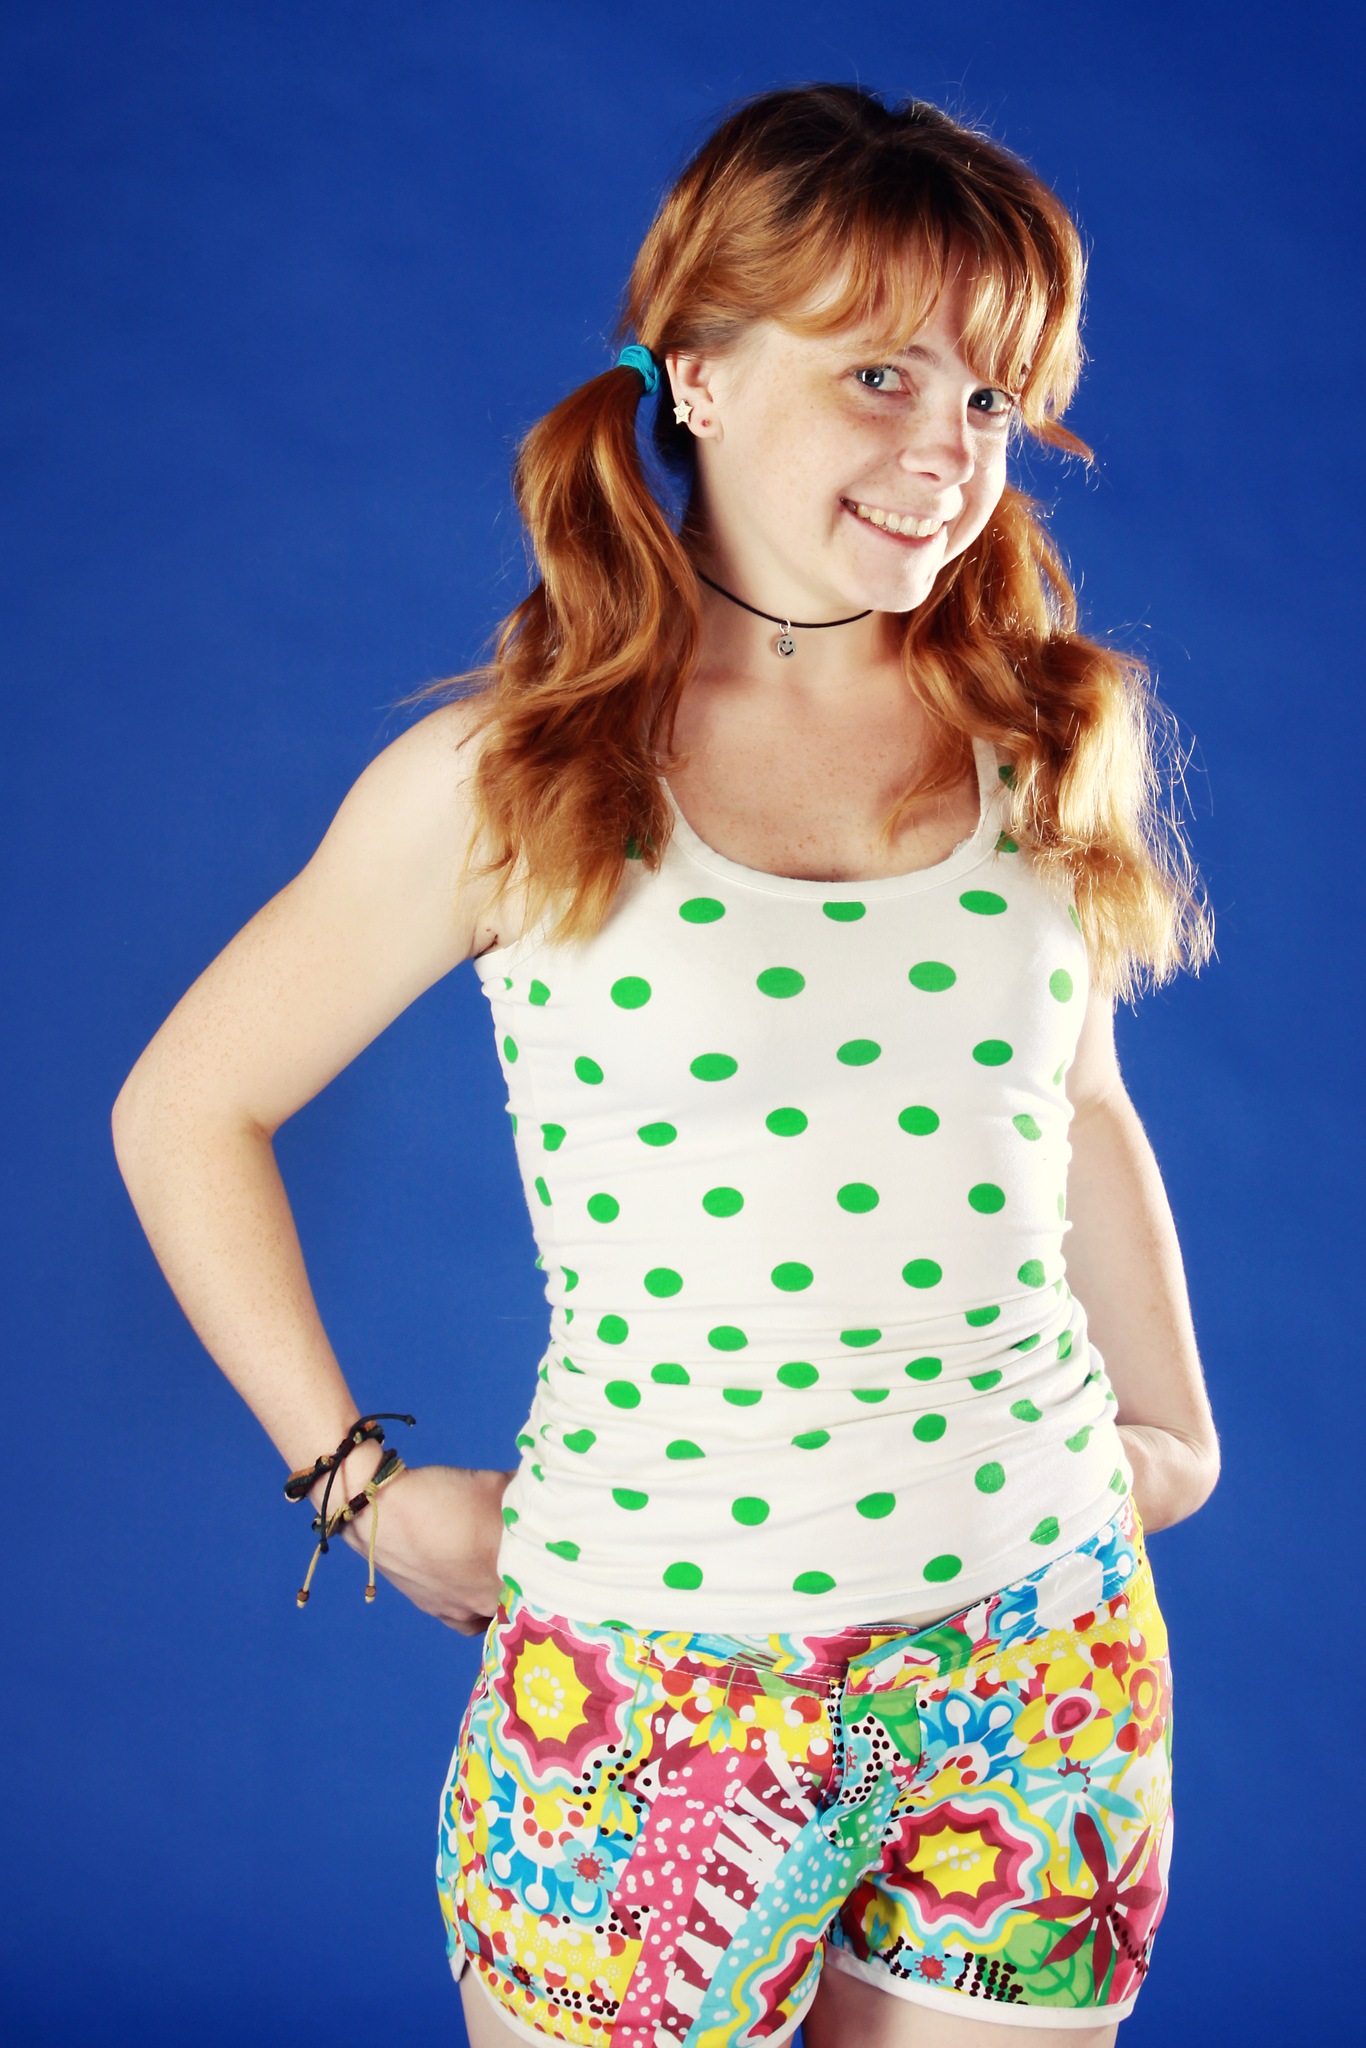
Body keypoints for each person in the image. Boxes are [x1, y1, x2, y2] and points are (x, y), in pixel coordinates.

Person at [112, 82, 1220, 2048]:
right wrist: (357, 1486)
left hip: (1038, 1662)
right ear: (695, 373)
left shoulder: (1037, 735)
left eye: (988, 397)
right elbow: (188, 1107)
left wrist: (1172, 1431)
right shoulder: (512, 776)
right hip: (650, 1688)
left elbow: (1074, 1107)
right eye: (877, 375)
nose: (944, 452)